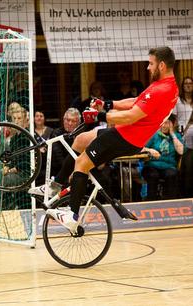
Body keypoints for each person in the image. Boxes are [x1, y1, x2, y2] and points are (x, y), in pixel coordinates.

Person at [42, 47, 178, 232]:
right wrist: (107, 104)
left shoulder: (162, 89)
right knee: (81, 139)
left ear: (161, 65)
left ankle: (72, 215)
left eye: (151, 63)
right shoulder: (166, 85)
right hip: (126, 134)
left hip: (125, 137)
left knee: (81, 163)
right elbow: (136, 101)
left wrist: (99, 116)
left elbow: (132, 116)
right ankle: (55, 187)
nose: (147, 67)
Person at [141, 114, 184, 200]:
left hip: (169, 166)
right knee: (153, 175)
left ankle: (170, 202)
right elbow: (140, 148)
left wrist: (172, 134)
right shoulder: (154, 135)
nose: (163, 126)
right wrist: (150, 150)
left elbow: (181, 151)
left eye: (167, 123)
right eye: (162, 123)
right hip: (152, 165)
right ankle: (150, 202)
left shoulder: (176, 136)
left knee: (171, 174)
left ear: (172, 124)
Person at [33, 110, 54, 185]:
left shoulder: (51, 131)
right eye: (37, 116)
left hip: (48, 162)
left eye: (41, 116)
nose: (39, 118)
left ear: (44, 118)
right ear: (33, 118)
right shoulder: (31, 132)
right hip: (35, 163)